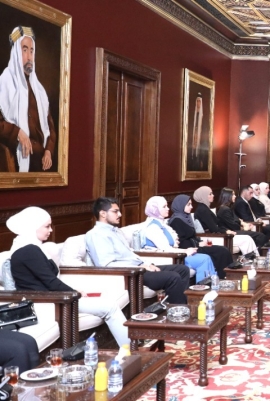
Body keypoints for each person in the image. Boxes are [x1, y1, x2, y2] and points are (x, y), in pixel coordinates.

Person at [8, 207, 131, 346]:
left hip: (53, 298)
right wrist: (75, 293)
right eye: (47, 226)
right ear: (33, 227)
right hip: (47, 303)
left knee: (106, 302)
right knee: (110, 306)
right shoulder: (28, 251)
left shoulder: (30, 248)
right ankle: (129, 349)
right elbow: (51, 282)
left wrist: (74, 291)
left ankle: (127, 347)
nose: (51, 230)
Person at [85, 197, 191, 304]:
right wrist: (140, 267)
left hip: (139, 268)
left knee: (182, 269)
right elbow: (106, 265)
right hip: (129, 274)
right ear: (103, 214)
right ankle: (178, 311)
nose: (120, 214)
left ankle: (182, 306)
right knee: (173, 277)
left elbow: (131, 254)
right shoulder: (96, 235)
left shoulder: (116, 231)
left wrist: (148, 264)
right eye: (115, 211)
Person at [0, 27, 57, 172]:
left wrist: (49, 151)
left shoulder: (39, 90)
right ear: (16, 53)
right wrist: (17, 132)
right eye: (24, 50)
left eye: (32, 51)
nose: (29, 57)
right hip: (16, 161)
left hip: (41, 165)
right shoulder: (4, 83)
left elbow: (51, 129)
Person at [142, 197, 217, 283]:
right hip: (166, 258)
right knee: (204, 259)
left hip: (175, 255)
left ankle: (212, 285)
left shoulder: (162, 224)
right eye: (164, 206)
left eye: (167, 206)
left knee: (206, 257)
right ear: (155, 210)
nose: (168, 208)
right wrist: (185, 251)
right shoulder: (153, 228)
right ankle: (202, 287)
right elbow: (166, 249)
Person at [168, 195, 234, 279]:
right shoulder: (176, 221)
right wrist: (198, 244)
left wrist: (200, 242)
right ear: (181, 205)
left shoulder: (186, 218)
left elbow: (192, 236)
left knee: (223, 249)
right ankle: (224, 277)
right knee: (221, 251)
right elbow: (181, 242)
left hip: (195, 246)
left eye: (191, 204)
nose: (191, 207)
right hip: (188, 249)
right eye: (188, 205)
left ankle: (228, 275)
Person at [192, 186, 264, 253]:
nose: (213, 195)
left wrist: (227, 230)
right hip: (214, 237)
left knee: (248, 238)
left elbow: (217, 225)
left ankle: (252, 258)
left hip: (219, 234)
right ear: (203, 196)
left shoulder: (205, 208)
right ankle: (251, 259)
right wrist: (227, 231)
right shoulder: (203, 210)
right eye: (210, 194)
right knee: (247, 239)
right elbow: (214, 228)